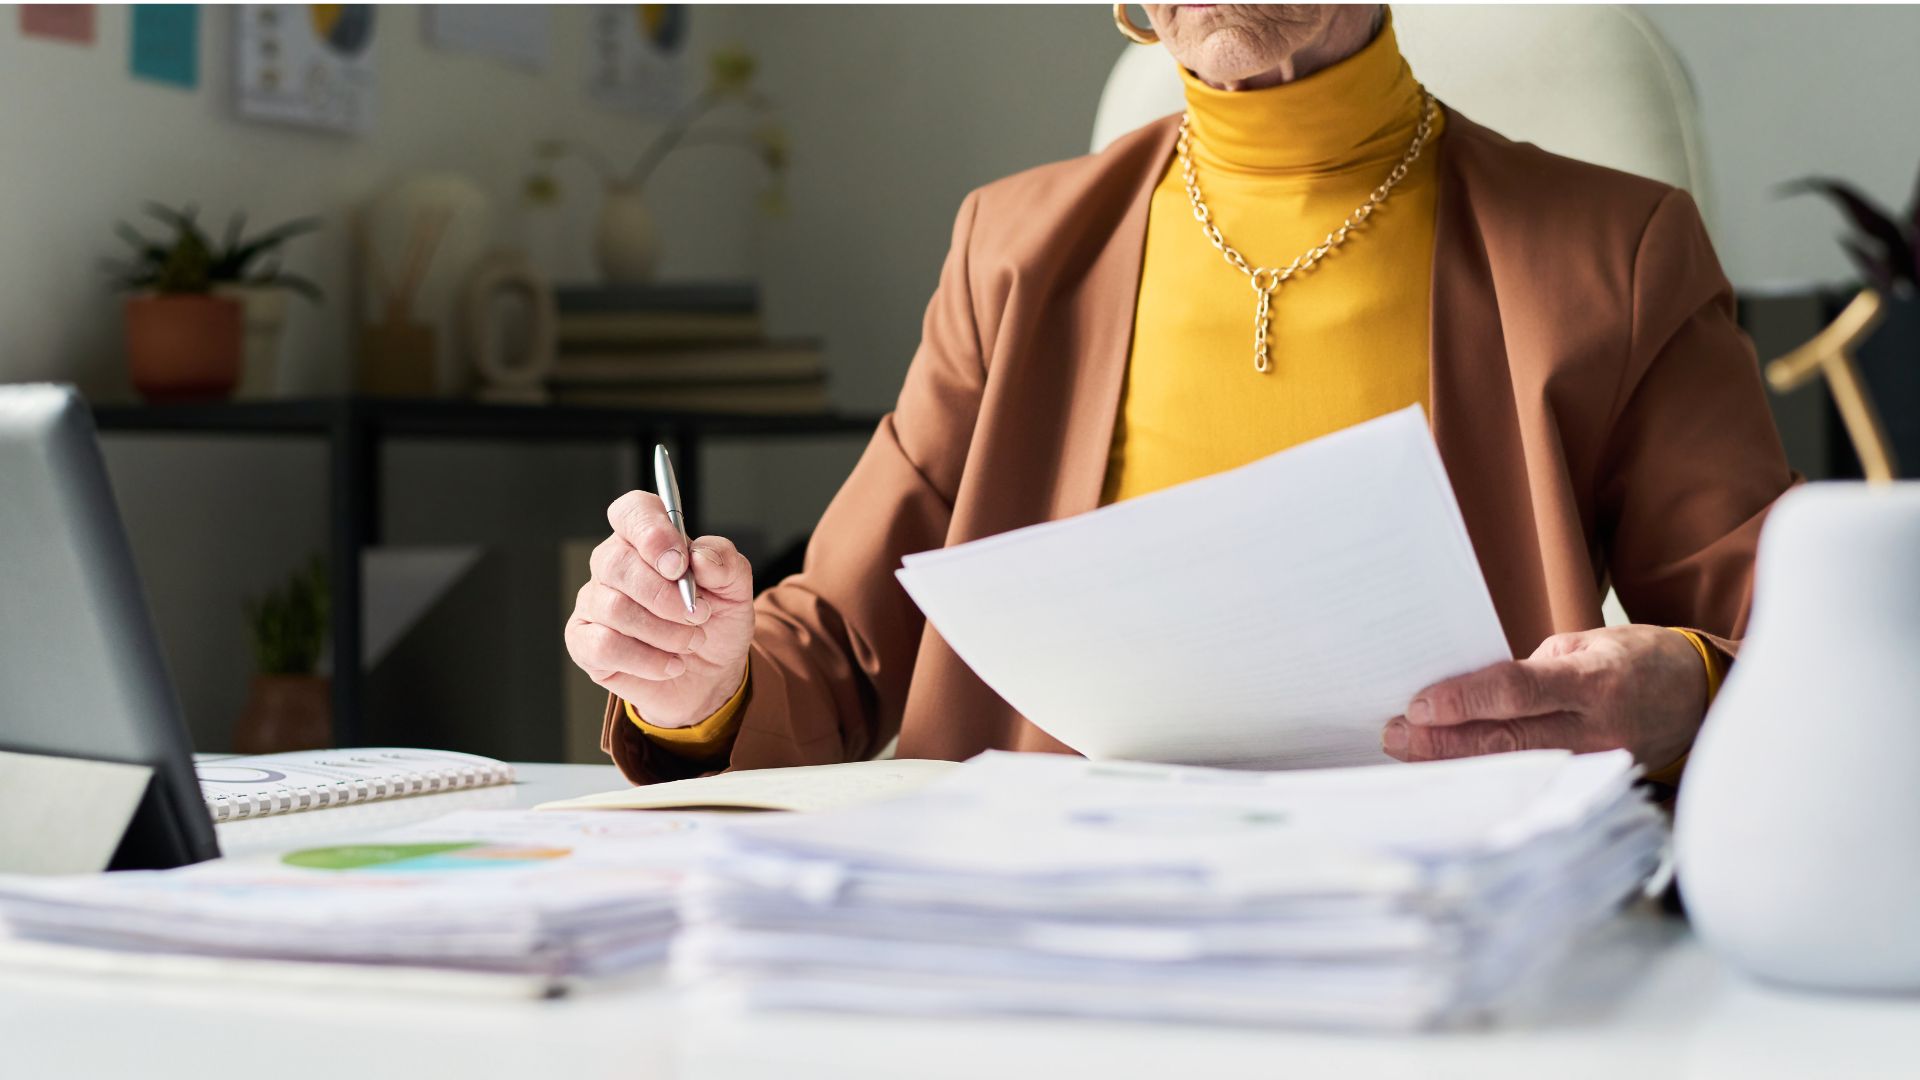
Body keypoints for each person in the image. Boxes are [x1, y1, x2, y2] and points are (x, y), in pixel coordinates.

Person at [565, 4, 1792, 785]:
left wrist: (1685, 687)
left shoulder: (1621, 253)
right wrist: (698, 681)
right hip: (1049, 925)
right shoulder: (1012, 251)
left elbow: (1792, 645)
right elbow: (832, 645)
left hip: (1433, 914)